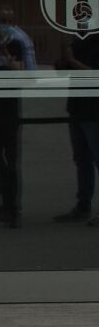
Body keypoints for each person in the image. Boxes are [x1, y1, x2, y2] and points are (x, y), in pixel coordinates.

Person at [0, 5, 36, 228]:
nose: (2, 27)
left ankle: (11, 207)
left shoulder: (17, 41)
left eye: (7, 22)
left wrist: (9, 60)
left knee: (8, 159)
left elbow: (29, 77)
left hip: (7, 108)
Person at [54, 35, 99, 225]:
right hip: (78, 109)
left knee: (93, 160)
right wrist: (64, 57)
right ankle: (83, 206)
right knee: (82, 161)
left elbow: (94, 75)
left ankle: (84, 206)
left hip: (94, 111)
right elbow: (61, 72)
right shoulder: (79, 43)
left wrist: (72, 61)